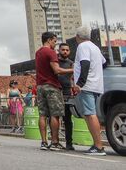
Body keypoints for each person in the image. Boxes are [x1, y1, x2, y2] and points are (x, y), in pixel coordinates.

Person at [35, 32, 73, 151]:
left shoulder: (38, 52)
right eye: (54, 41)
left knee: (42, 114)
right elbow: (56, 70)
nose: (55, 44)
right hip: (51, 86)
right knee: (55, 114)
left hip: (40, 86)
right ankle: (55, 142)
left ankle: (44, 142)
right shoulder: (50, 52)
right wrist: (73, 69)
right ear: (49, 40)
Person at [73, 26, 107, 155]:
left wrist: (80, 83)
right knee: (91, 114)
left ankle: (98, 146)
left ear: (78, 37)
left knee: (90, 114)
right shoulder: (95, 47)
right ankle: (96, 145)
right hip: (96, 85)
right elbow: (104, 62)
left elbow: (85, 64)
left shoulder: (83, 47)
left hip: (87, 85)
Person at [57, 43, 75, 150]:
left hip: (67, 94)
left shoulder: (71, 63)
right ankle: (55, 141)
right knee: (54, 118)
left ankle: (69, 143)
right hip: (56, 93)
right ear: (59, 50)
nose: (65, 51)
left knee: (67, 119)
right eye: (63, 49)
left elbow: (73, 78)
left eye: (67, 50)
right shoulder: (55, 63)